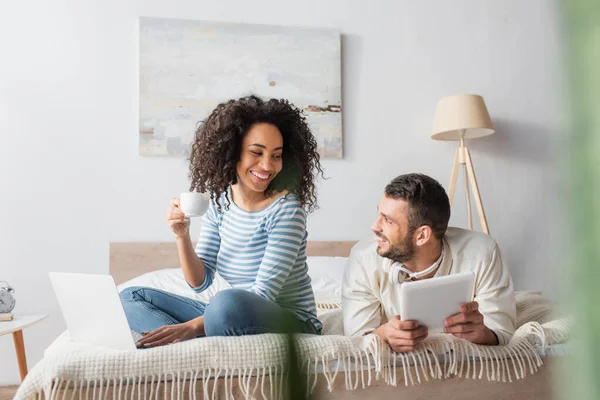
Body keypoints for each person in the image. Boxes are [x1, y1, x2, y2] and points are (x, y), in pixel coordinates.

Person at [120, 95, 325, 348]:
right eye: (256, 152)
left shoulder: (286, 210)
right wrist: (181, 235)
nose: (267, 165)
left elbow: (262, 295)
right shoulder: (220, 202)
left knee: (224, 303)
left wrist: (191, 326)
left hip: (291, 323)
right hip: (230, 314)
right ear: (232, 151)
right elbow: (200, 281)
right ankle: (191, 341)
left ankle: (196, 335)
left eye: (276, 155)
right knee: (129, 297)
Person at [342, 173, 516, 352]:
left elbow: (503, 333)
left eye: (387, 220)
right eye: (379, 214)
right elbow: (355, 341)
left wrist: (483, 334)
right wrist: (383, 334)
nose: (375, 226)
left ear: (422, 235)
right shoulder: (363, 259)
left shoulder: (482, 253)